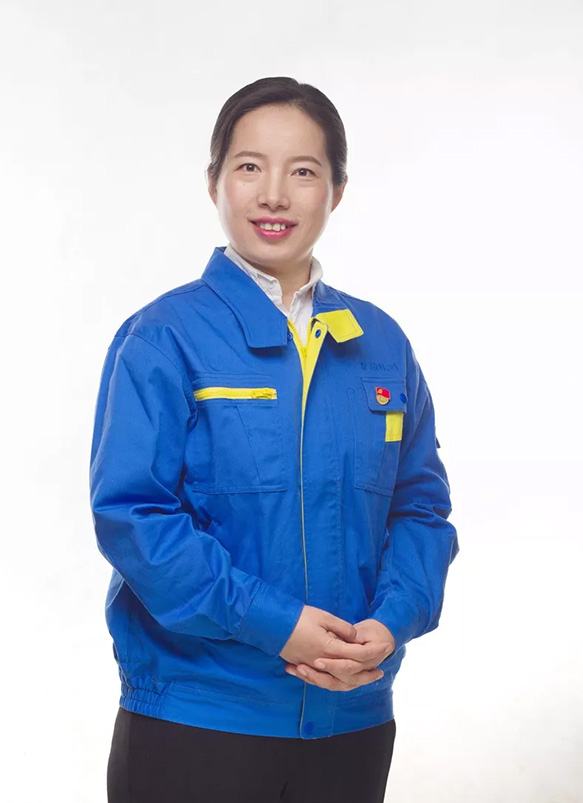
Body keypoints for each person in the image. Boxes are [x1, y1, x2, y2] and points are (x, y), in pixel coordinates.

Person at [89, 75, 459, 803]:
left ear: (337, 191)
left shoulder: (381, 345)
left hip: (352, 721)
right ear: (214, 182)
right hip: (197, 721)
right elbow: (134, 517)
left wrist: (392, 622)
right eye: (250, 166)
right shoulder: (162, 339)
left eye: (304, 172)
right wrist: (275, 623)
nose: (274, 195)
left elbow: (421, 509)